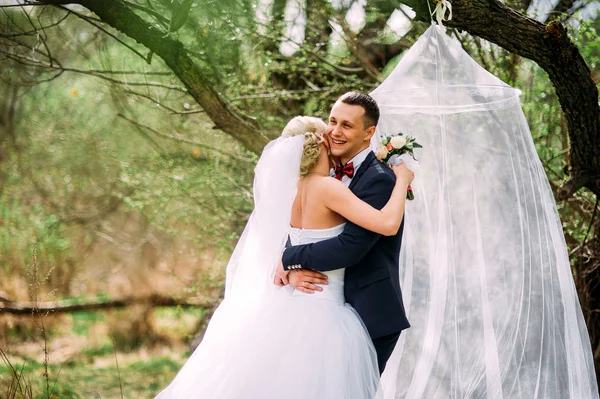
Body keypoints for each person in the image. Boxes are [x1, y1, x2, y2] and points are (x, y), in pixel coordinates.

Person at [155, 110, 414, 398]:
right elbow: (387, 224)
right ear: (322, 146)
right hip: (324, 310)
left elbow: (282, 242)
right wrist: (402, 179)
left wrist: (288, 268)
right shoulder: (328, 187)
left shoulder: (294, 191)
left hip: (291, 302)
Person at [277, 92, 410, 375]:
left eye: (347, 125)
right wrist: (291, 271)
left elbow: (349, 247)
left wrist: (289, 258)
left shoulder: (381, 179)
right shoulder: (320, 179)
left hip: (368, 313)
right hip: (320, 310)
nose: (335, 131)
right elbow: (296, 231)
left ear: (368, 133)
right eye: (333, 121)